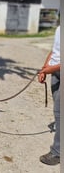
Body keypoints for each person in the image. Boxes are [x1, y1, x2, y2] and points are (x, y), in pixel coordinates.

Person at [38, 25, 60, 165]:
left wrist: (50, 69)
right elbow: (54, 51)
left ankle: (58, 153)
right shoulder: (59, 28)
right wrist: (44, 69)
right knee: (57, 112)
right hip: (56, 72)